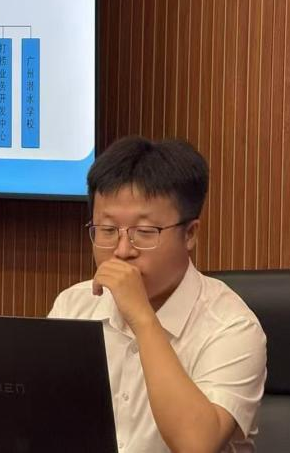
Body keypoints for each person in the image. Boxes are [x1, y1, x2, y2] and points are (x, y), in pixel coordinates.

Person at [49, 136, 266, 453]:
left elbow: (196, 445)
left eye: (144, 232)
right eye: (108, 231)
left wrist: (142, 318)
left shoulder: (231, 327)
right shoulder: (74, 306)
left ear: (189, 234)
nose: (122, 250)